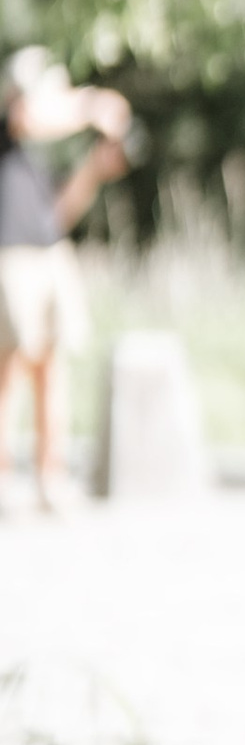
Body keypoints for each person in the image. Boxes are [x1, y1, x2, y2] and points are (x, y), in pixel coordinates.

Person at [0, 49, 130, 513]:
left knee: (50, 368)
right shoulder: (13, 123)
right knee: (7, 370)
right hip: (9, 257)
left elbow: (61, 212)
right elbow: (29, 115)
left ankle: (47, 479)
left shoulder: (41, 155)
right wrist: (94, 105)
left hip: (49, 254)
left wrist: (95, 168)